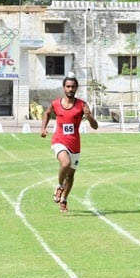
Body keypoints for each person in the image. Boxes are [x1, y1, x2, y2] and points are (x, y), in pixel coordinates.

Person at [41, 74, 99, 213]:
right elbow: (47, 113)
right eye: (68, 86)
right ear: (63, 88)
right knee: (65, 163)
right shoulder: (56, 103)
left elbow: (95, 126)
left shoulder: (82, 105)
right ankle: (60, 186)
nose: (70, 89)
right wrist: (43, 128)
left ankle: (64, 200)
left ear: (76, 88)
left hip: (74, 144)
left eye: (73, 87)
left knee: (71, 175)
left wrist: (89, 116)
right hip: (59, 141)